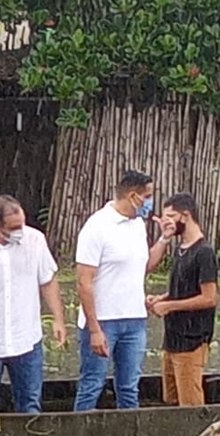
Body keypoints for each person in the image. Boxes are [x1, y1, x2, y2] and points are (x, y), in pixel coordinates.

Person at [73, 170, 174, 412]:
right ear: (133, 196)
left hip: (134, 319)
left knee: (129, 386)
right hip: (104, 321)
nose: (150, 202)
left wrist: (164, 239)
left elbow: (144, 266)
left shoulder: (137, 224)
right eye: (147, 196)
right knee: (92, 384)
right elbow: (83, 282)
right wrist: (94, 329)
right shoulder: (97, 227)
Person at [0, 195, 66, 413]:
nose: (20, 232)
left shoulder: (35, 240)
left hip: (26, 337)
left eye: (22, 225)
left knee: (30, 402)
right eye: (14, 228)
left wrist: (59, 319)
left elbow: (48, 280)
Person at [146, 193, 218, 406]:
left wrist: (169, 306)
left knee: (190, 403)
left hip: (191, 339)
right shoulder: (180, 249)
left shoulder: (204, 253)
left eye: (170, 215)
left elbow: (209, 298)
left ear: (185, 216)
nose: (166, 221)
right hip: (172, 339)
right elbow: (184, 290)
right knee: (171, 399)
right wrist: (162, 298)